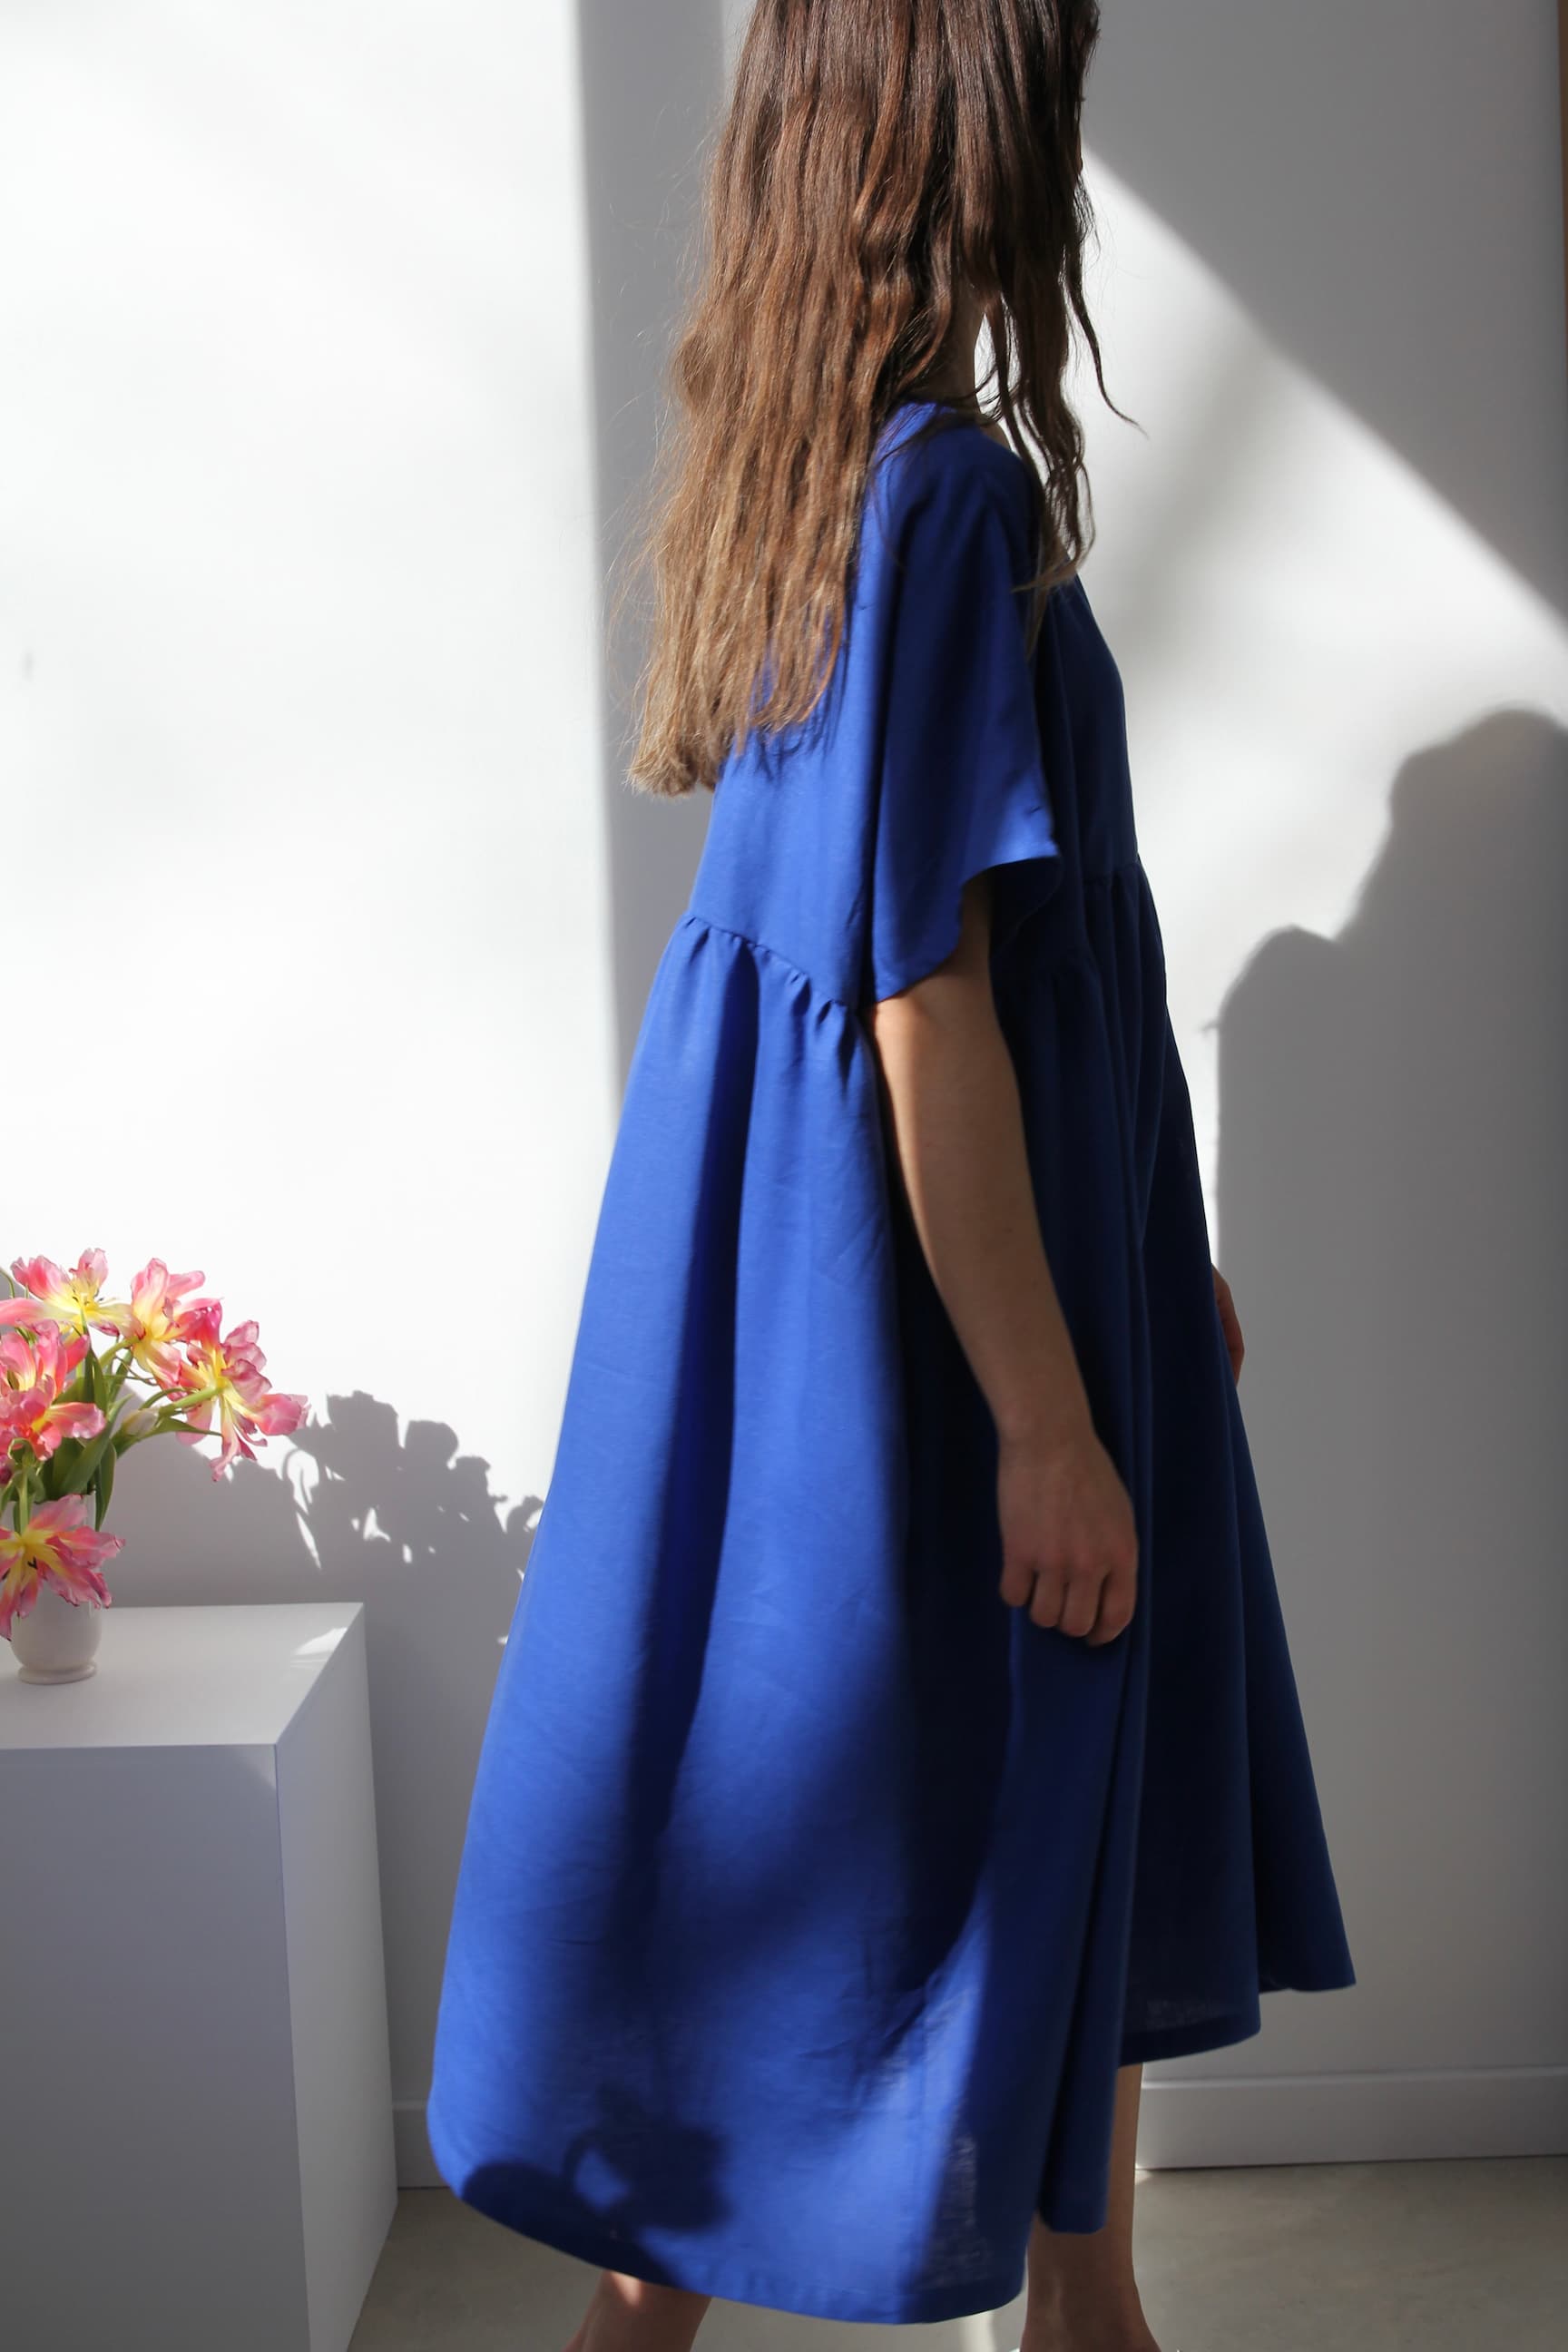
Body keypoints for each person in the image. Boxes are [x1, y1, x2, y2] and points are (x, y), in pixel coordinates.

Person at [426, 5, 1357, 2347]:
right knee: (1025, 1722)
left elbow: (997, 968)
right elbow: (926, 994)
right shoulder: (944, 490)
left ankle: (1003, 2310)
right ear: (980, 139)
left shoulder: (795, 458)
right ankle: (1079, 2315)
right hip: (933, 1274)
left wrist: (1164, 1243)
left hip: (827, 1251)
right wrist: (1050, 1414)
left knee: (802, 1740)